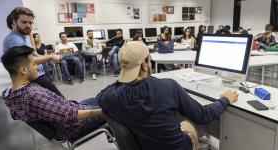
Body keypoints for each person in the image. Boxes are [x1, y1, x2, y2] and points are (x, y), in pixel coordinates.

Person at [96, 41, 238, 150]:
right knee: (189, 121)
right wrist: (225, 99)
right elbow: (204, 115)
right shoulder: (168, 86)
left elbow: (101, 95)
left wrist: (124, 76)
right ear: (145, 65)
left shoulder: (111, 98)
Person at [1, 46, 105, 141]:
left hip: (69, 112)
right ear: (23, 69)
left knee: (103, 98)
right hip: (75, 126)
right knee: (116, 106)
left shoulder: (9, 94)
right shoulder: (34, 95)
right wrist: (103, 111)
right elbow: (69, 115)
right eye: (34, 64)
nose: (37, 67)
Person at [3, 7, 63, 97]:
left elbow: (32, 53)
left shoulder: (23, 35)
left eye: (30, 23)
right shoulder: (14, 40)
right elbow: (28, 61)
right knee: (61, 101)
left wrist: (44, 55)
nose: (28, 26)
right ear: (14, 22)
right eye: (24, 22)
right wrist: (50, 57)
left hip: (37, 74)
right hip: (33, 78)